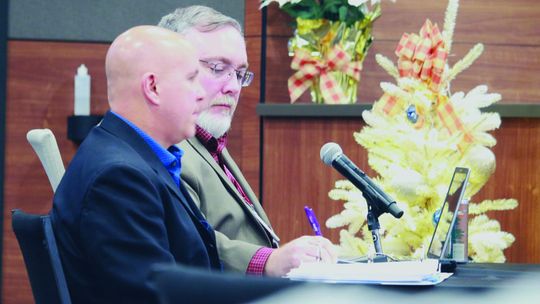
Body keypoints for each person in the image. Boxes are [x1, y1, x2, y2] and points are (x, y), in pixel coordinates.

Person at [158, 6, 337, 277]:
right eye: (218, 69)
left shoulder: (210, 141)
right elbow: (186, 242)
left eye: (240, 74)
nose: (233, 87)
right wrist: (270, 261)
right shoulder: (165, 146)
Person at [51, 26, 221, 304]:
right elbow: (153, 297)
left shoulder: (130, 158)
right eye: (192, 79)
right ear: (152, 87)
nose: (202, 94)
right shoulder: (118, 178)